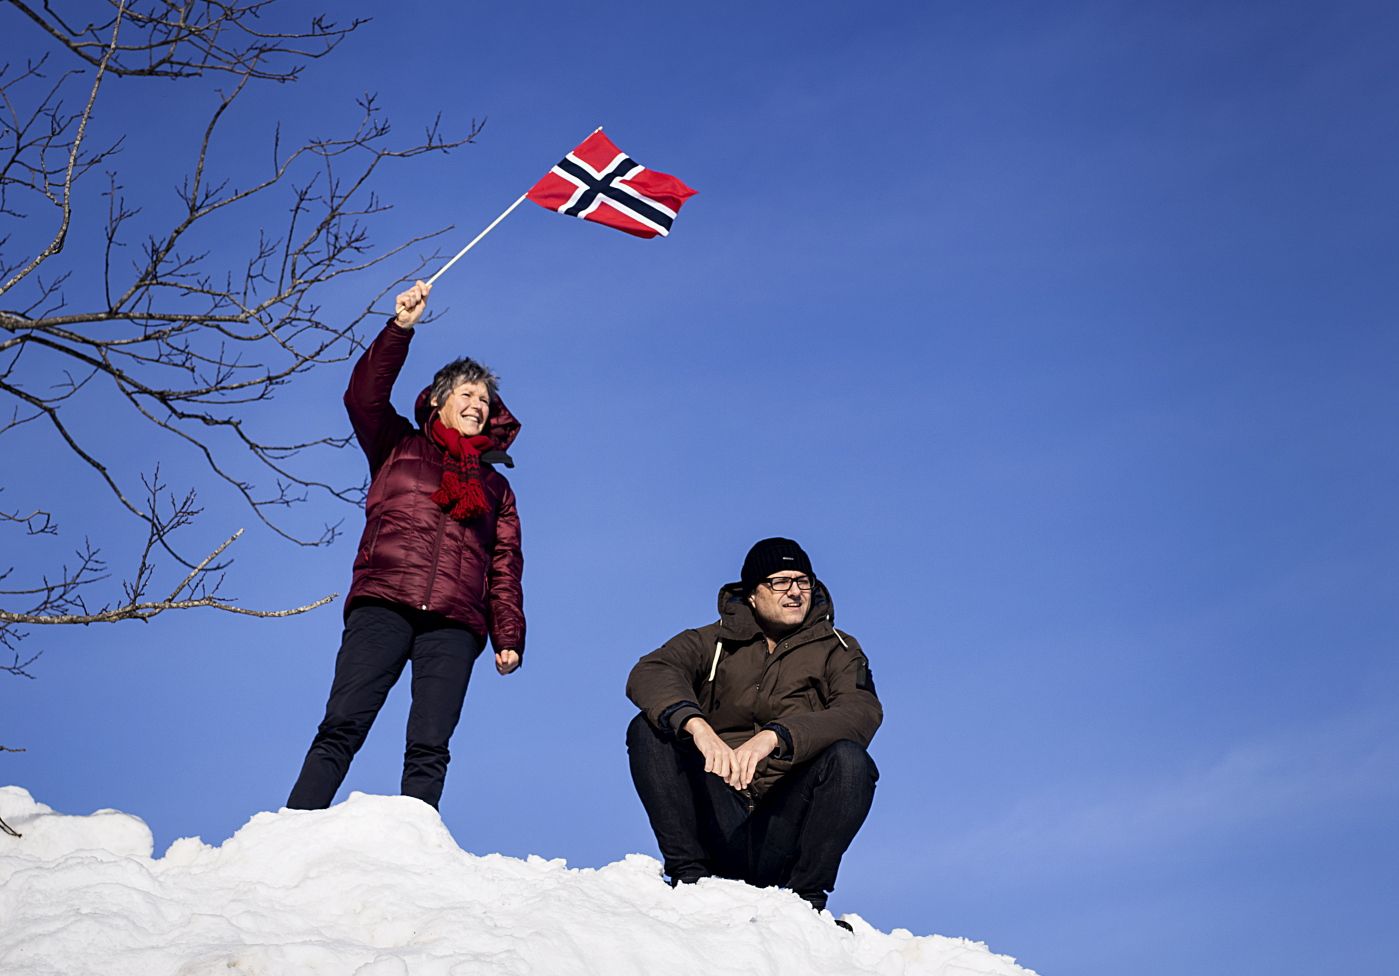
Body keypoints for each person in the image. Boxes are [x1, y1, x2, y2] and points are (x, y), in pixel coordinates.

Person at [287, 280, 524, 811]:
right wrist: (400, 329)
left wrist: (508, 634)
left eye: (485, 399)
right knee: (342, 724)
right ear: (438, 401)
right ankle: (293, 827)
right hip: (384, 601)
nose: (477, 404)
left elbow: (505, 567)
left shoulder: (495, 487)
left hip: (455, 622)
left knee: (430, 746)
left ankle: (415, 850)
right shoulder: (397, 444)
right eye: (466, 393)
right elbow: (363, 395)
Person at [625, 537, 881, 917]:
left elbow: (860, 711)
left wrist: (777, 736)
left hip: (783, 823)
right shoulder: (711, 642)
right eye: (780, 582)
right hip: (718, 808)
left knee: (850, 761)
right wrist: (698, 727)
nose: (794, 592)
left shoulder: (839, 649)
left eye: (803, 581)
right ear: (751, 594)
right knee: (648, 728)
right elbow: (650, 672)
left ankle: (806, 904)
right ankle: (689, 880)